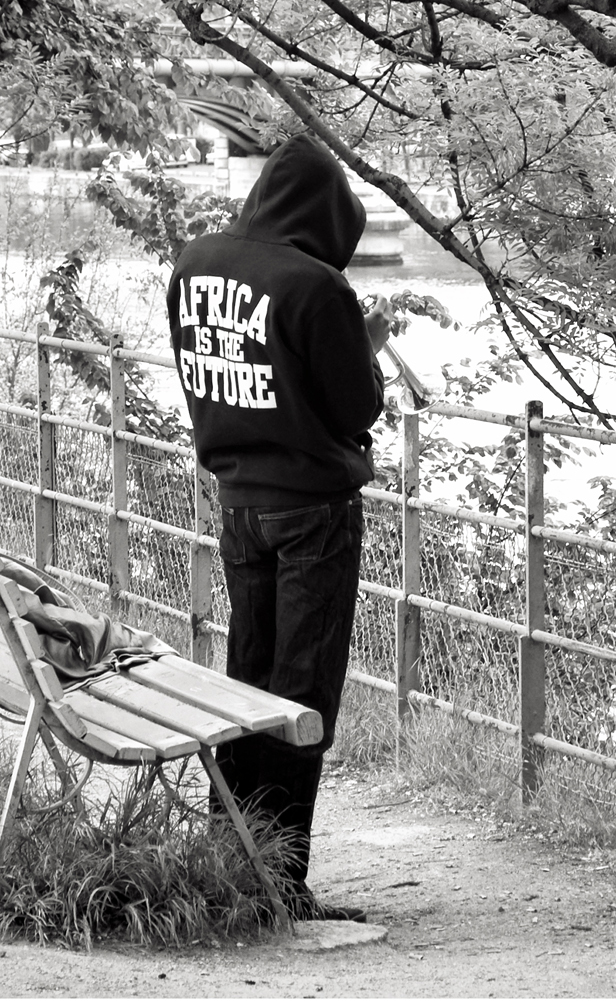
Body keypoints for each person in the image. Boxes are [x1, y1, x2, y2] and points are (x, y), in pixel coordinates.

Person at [166, 132, 390, 923]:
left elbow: (218, 367)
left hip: (237, 503)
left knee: (247, 674)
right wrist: (366, 350)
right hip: (313, 512)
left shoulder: (194, 264)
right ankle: (283, 881)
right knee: (303, 689)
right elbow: (355, 406)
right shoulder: (316, 288)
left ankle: (236, 855)